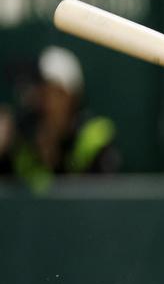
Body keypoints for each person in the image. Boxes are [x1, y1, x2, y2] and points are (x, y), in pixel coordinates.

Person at [0, 46, 117, 191]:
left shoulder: (94, 136)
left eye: (50, 92)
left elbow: (98, 202)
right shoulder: (19, 141)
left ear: (70, 97)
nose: (41, 102)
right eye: (37, 93)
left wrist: (55, 157)